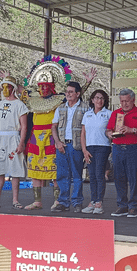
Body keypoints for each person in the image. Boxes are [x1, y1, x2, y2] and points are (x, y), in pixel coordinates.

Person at [21, 56, 95, 210]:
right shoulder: (32, 100)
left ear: (52, 87)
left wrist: (88, 82)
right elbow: (19, 93)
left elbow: (76, 94)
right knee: (36, 169)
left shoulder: (59, 101)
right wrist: (12, 82)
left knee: (56, 171)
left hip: (54, 139)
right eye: (40, 86)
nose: (43, 89)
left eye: (46, 86)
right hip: (38, 139)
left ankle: (61, 201)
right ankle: (39, 201)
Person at [0, 76, 29, 209]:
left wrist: (21, 142)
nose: (5, 89)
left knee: (15, 169)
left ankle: (15, 200)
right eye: (3, 87)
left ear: (12, 88)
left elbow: (24, 126)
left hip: (13, 137)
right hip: (0, 138)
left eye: (7, 86)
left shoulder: (20, 104)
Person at [105, 89, 137, 218]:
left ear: (133, 100)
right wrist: (110, 134)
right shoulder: (115, 113)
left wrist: (131, 130)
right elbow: (107, 130)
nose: (124, 104)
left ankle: (133, 206)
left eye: (127, 101)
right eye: (122, 101)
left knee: (134, 178)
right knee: (119, 178)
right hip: (118, 148)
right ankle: (122, 205)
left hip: (134, 148)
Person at [51, 81, 88, 213]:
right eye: (67, 92)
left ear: (78, 94)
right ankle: (63, 202)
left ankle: (77, 202)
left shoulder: (85, 108)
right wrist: (57, 142)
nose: (68, 94)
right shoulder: (60, 108)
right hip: (62, 144)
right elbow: (53, 126)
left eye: (71, 92)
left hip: (76, 145)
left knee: (77, 174)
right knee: (62, 174)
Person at [81, 89, 112, 214]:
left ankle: (99, 202)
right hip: (89, 147)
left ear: (105, 101)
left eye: (102, 98)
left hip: (103, 146)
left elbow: (112, 130)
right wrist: (84, 150)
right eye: (97, 98)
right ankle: (93, 201)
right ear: (92, 100)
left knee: (99, 174)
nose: (99, 100)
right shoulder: (87, 114)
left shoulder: (109, 114)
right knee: (92, 176)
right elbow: (83, 133)